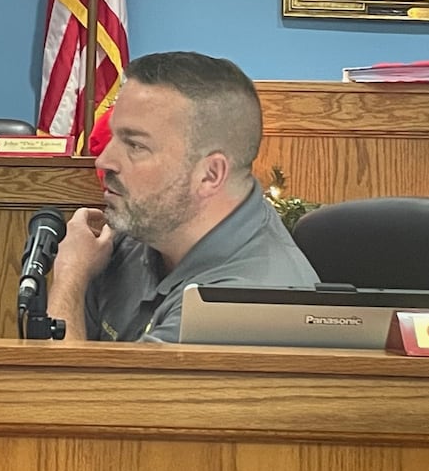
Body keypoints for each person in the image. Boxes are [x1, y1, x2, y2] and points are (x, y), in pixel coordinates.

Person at [47, 51, 320, 343]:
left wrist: (70, 277)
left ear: (210, 175)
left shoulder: (244, 304)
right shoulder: (148, 227)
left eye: (136, 145)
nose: (103, 161)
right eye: (114, 137)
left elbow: (66, 387)